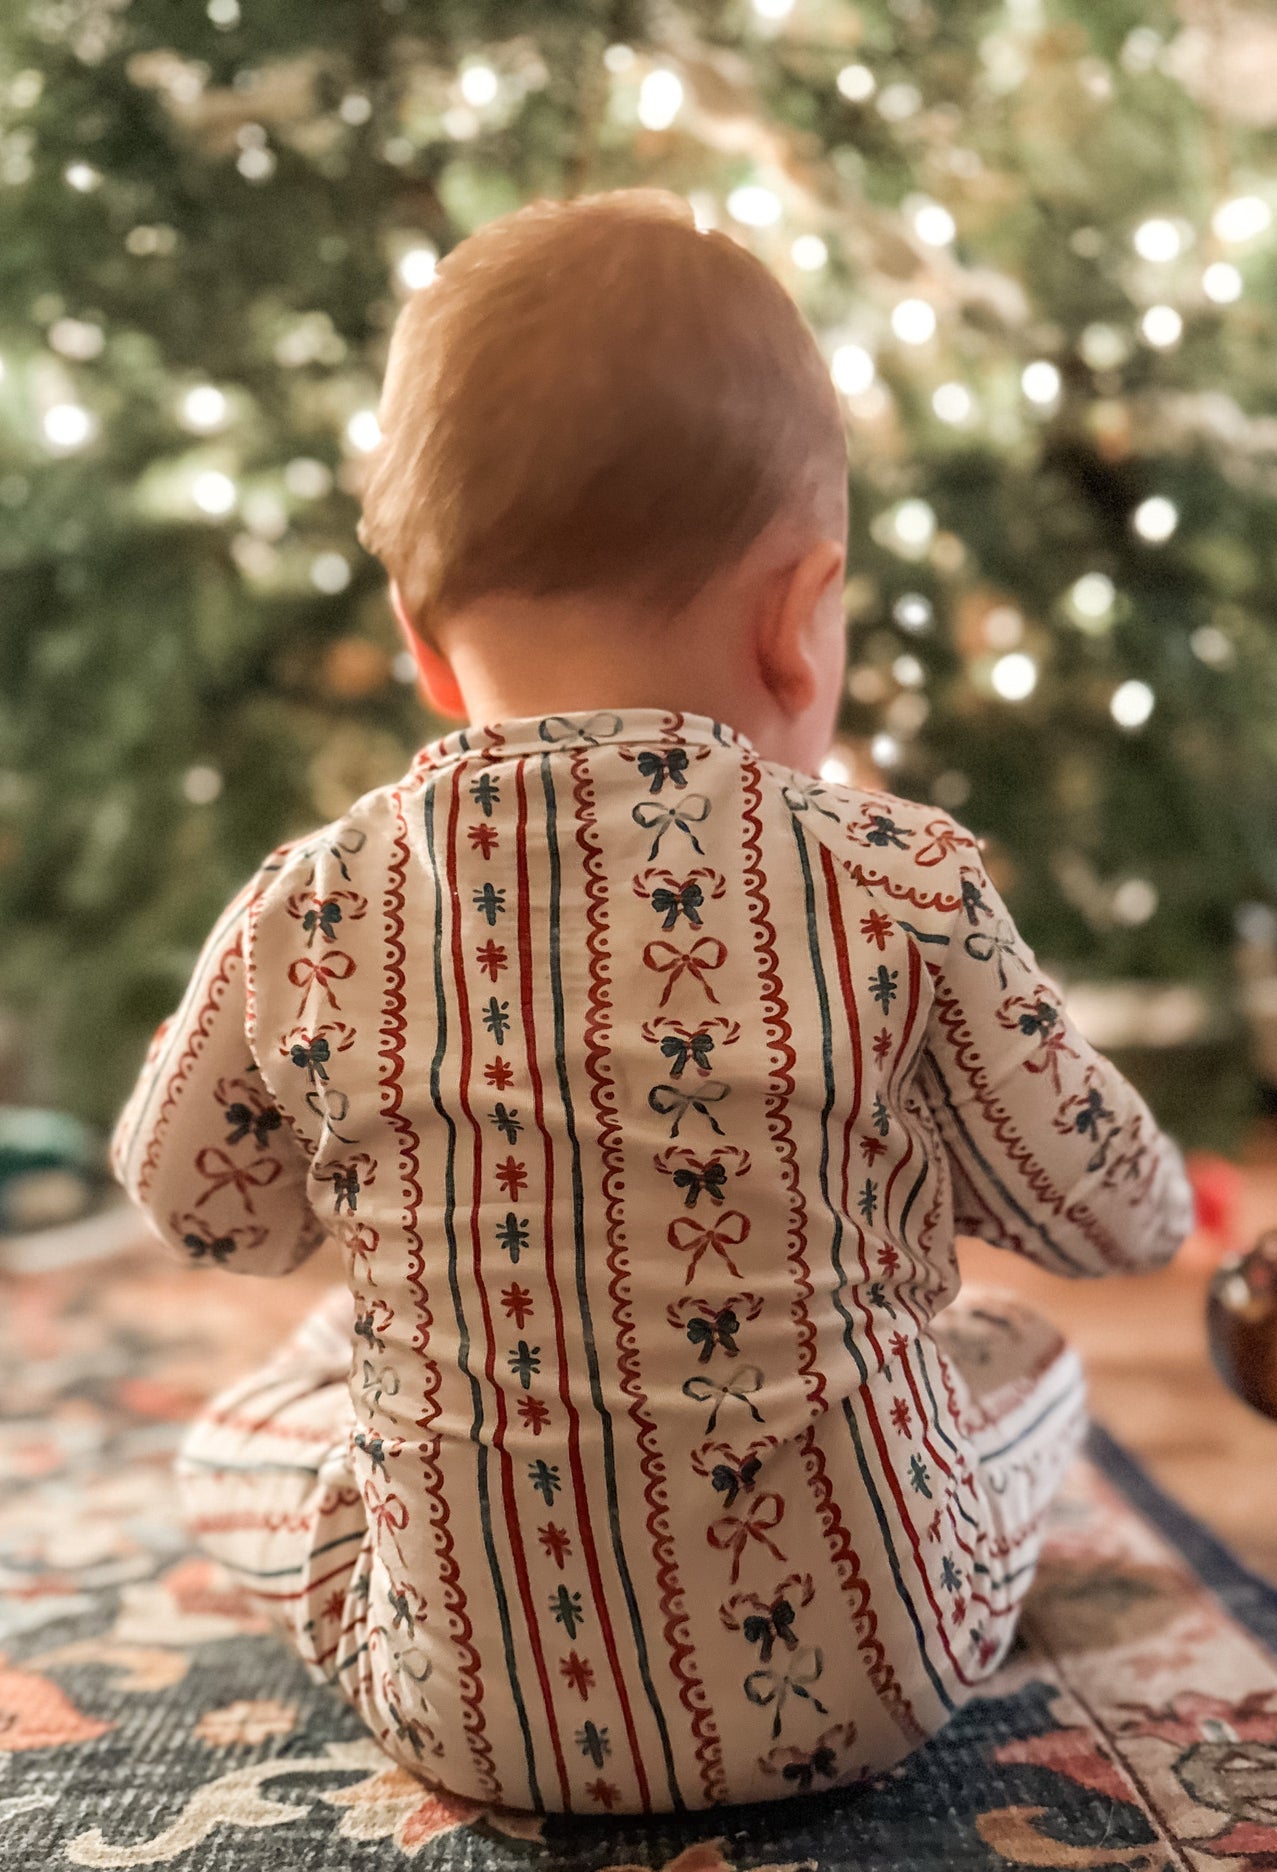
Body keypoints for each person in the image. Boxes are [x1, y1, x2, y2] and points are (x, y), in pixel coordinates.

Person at [111, 189, 1194, 1815]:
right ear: (795, 613)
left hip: (472, 1708)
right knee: (1021, 1360)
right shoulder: (896, 882)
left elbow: (196, 1201)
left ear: (421, 641)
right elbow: (1117, 1216)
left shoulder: (313, 906)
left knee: (254, 1426)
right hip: (890, 1669)